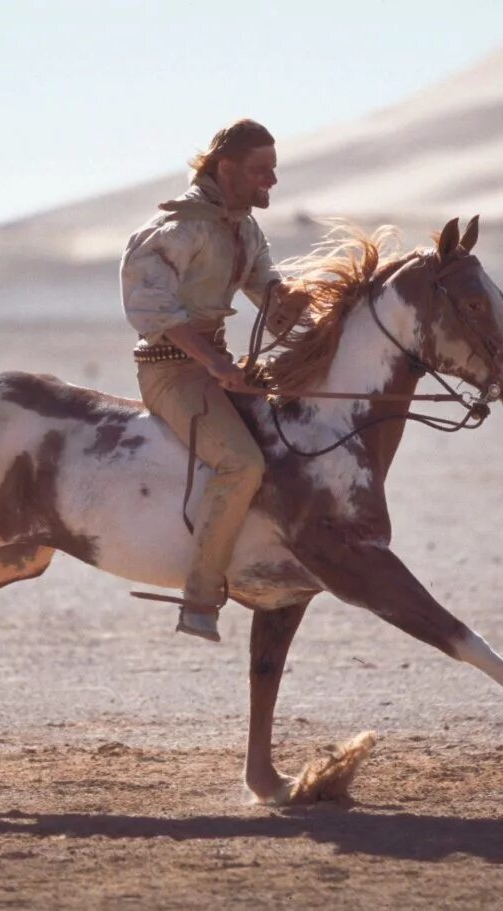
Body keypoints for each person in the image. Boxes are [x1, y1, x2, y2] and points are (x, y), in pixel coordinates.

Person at [120, 118, 308, 643]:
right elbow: (152, 310)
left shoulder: (244, 228)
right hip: (169, 369)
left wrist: (299, 305)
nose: (270, 181)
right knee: (240, 462)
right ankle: (200, 597)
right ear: (225, 168)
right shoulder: (177, 230)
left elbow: (269, 298)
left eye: (274, 170)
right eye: (260, 171)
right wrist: (215, 364)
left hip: (216, 363)